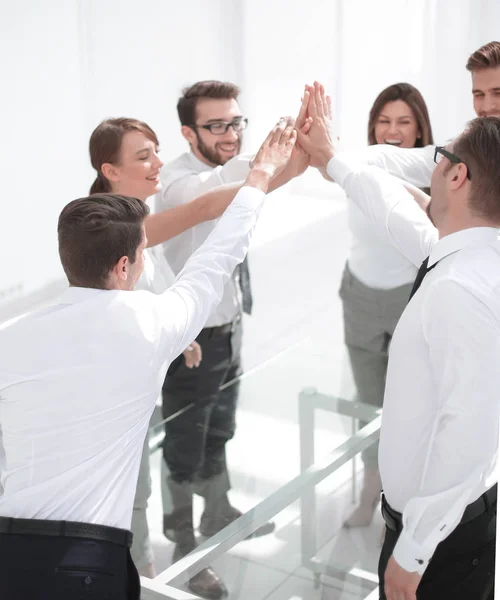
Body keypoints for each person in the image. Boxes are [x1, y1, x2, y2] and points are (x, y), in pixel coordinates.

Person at [0, 119, 297, 600]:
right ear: (124, 266)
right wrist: (260, 175)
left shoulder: (10, 337)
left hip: (10, 550)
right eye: (142, 252)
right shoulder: (152, 323)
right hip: (89, 560)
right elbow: (218, 257)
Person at [300, 81, 498, 600]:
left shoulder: (463, 290)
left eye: (440, 158)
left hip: (437, 544)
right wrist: (331, 161)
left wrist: (411, 555)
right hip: (426, 530)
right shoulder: (456, 252)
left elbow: (472, 438)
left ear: (456, 176)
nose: (426, 166)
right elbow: (392, 209)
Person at [154, 80, 310, 586]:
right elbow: (223, 195)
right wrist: (266, 163)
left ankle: (217, 511)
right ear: (187, 131)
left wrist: (301, 153)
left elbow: (255, 183)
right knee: (183, 445)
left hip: (228, 326)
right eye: (215, 124)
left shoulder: (237, 172)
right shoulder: (179, 182)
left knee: (219, 429)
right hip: (190, 341)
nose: (229, 133)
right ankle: (184, 548)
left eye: (235, 122)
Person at [87, 116, 254, 583]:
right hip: (115, 394)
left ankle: (154, 566)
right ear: (110, 169)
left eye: (156, 151)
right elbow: (202, 209)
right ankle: (144, 575)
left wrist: (184, 337)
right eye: (143, 156)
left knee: (163, 465)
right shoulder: (112, 226)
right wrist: (267, 174)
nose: (158, 163)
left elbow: (149, 291)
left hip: (142, 376)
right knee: (132, 491)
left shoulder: (132, 213)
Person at [341, 84, 434, 529]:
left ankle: (402, 507)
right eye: (384, 121)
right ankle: (366, 494)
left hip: (409, 298)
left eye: (403, 122)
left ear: (420, 131)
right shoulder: (357, 166)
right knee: (366, 405)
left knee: (410, 408)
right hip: (359, 295)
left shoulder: (436, 178)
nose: (392, 131)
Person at [342, 41, 500, 189]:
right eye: (479, 95)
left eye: (498, 93)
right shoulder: (465, 152)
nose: (487, 106)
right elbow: (408, 161)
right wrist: (330, 157)